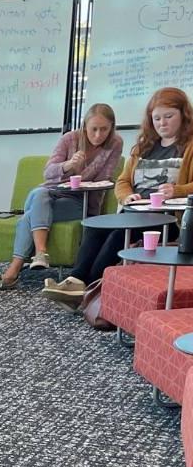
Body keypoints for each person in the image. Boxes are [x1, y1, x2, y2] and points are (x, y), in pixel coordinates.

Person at [43, 87, 193, 307]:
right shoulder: (143, 147)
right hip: (135, 212)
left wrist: (177, 190)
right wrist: (127, 196)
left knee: (117, 235)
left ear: (183, 116)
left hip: (167, 219)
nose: (162, 123)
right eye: (157, 118)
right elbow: (122, 182)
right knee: (96, 227)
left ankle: (87, 289)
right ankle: (75, 280)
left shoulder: (189, 147)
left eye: (169, 117)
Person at [0, 104, 122, 291]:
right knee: (40, 194)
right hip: (49, 193)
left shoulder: (115, 144)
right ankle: (40, 252)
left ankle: (12, 273)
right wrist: (69, 165)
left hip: (79, 200)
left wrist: (81, 178)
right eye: (93, 129)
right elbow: (48, 173)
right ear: (84, 126)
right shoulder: (69, 139)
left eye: (104, 129)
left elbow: (104, 179)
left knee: (29, 217)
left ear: (112, 128)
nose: (98, 135)